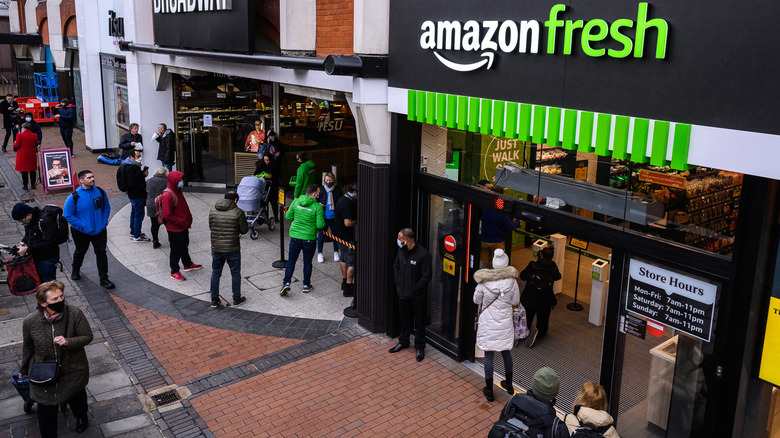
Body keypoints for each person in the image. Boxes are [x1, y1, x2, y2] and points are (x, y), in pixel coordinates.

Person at [21, 280, 93, 436]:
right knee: (46, 411)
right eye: (54, 299)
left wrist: (68, 342)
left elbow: (87, 336)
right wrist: (24, 369)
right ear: (43, 303)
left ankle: (81, 418)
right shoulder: (30, 322)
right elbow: (28, 347)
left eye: (61, 296)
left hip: (72, 369)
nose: (60, 301)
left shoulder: (74, 314)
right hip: (44, 372)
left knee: (77, 399)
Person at [474, 248, 520, 402]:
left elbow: (476, 300)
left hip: (488, 321)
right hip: (505, 320)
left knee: (489, 354)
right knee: (506, 351)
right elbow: (515, 302)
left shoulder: (484, 281)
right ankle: (509, 385)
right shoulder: (512, 281)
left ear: (493, 264)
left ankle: (489, 389)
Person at [64, 170, 115, 289]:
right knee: (80, 251)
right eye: (88, 178)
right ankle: (75, 269)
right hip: (81, 232)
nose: (92, 179)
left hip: (99, 230)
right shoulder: (74, 197)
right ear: (81, 180)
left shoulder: (100, 192)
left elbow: (106, 207)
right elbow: (68, 215)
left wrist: (103, 222)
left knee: (101, 253)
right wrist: (82, 226)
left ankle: (104, 279)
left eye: (93, 177)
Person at [389, 228, 432, 362]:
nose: (398, 240)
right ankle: (404, 341)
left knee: (419, 322)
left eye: (399, 237)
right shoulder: (401, 251)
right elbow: (396, 266)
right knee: (404, 319)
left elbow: (427, 275)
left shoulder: (423, 254)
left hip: (417, 296)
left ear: (406, 240)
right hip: (402, 293)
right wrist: (398, 283)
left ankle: (419, 347)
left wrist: (415, 288)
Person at [496, 367, 570, 438]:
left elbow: (502, 422)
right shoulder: (557, 428)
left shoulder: (515, 401)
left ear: (533, 386)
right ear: (555, 393)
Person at [280, 184, 324, 296]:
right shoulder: (317, 207)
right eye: (318, 194)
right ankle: (306, 285)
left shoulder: (296, 202)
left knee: (291, 260)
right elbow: (320, 225)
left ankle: (286, 283)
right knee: (307, 262)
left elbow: (288, 217)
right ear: (314, 194)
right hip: (309, 238)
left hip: (295, 237)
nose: (319, 195)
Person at [208, 191, 248, 308]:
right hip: (232, 248)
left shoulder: (213, 211)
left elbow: (211, 227)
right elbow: (244, 230)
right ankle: (236, 298)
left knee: (216, 273)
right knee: (235, 273)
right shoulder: (238, 212)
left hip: (216, 247)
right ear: (235, 200)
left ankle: (214, 299)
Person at [161, 170, 201, 281]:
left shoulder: (177, 190)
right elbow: (167, 215)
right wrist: (181, 221)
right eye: (180, 180)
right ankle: (174, 271)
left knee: (184, 246)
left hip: (182, 226)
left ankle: (187, 264)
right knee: (175, 250)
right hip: (175, 229)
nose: (182, 182)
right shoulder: (167, 195)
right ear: (174, 181)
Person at [520, 245, 562, 348]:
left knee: (528, 315)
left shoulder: (532, 265)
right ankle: (539, 332)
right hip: (545, 299)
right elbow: (558, 276)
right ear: (552, 257)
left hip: (529, 296)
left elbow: (522, 276)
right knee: (543, 319)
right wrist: (552, 264)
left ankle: (525, 330)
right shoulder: (552, 268)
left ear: (541, 255)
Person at [12, 203, 60, 282]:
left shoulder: (46, 220)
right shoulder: (31, 221)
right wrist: (24, 242)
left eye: (21, 220)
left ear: (28, 215)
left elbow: (49, 242)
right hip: (36, 257)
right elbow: (28, 234)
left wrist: (28, 248)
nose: (21, 223)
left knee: (49, 285)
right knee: (40, 283)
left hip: (47, 259)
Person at [121, 149, 150, 242]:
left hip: (133, 195)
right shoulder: (130, 168)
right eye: (137, 156)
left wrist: (142, 175)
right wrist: (143, 179)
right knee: (139, 215)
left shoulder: (130, 165)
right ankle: (136, 235)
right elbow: (133, 183)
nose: (139, 158)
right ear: (131, 157)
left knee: (134, 213)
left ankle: (133, 232)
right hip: (136, 195)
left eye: (140, 156)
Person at [333, 184, 357, 297]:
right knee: (351, 262)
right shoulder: (348, 204)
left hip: (340, 236)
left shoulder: (341, 199)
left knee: (343, 259)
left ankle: (344, 282)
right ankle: (349, 287)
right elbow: (347, 223)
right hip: (348, 238)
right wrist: (357, 222)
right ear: (355, 193)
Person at [317, 172, 342, 263]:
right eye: (326, 180)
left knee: (335, 236)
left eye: (330, 180)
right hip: (324, 217)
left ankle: (336, 252)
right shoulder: (321, 190)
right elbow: (315, 200)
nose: (328, 182)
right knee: (321, 236)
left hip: (334, 217)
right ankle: (320, 253)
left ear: (334, 181)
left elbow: (340, 202)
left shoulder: (338, 190)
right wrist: (319, 204)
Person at [145, 167, 169, 249]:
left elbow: (147, 191)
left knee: (154, 225)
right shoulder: (167, 181)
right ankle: (171, 239)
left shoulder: (150, 180)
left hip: (152, 205)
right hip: (163, 206)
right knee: (168, 224)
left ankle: (155, 241)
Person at [253, 153, 280, 221]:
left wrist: (272, 176)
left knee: (274, 202)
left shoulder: (275, 165)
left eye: (268, 160)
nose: (267, 162)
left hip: (273, 186)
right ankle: (266, 217)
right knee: (265, 203)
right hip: (264, 187)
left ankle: (276, 216)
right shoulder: (260, 165)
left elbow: (279, 175)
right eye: (265, 160)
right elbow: (256, 174)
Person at [14, 122, 38, 191]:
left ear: (23, 128)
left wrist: (14, 143)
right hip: (31, 154)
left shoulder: (19, 135)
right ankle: (33, 184)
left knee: (24, 171)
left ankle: (25, 185)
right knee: (32, 170)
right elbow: (35, 142)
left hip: (23, 154)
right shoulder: (34, 135)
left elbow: (17, 145)